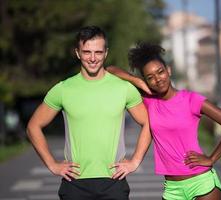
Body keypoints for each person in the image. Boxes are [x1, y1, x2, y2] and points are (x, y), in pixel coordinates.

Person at [26, 26, 151, 200]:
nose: (93, 58)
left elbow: (148, 123)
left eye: (98, 52)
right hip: (74, 184)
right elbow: (33, 126)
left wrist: (135, 161)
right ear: (77, 53)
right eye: (87, 52)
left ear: (105, 53)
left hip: (114, 182)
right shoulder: (63, 89)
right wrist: (52, 165)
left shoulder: (124, 88)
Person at [106, 43, 221, 200]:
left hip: (202, 184)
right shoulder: (149, 101)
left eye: (160, 72)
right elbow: (110, 70)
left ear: (168, 70)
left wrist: (212, 158)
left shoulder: (191, 100)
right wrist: (139, 82)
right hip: (172, 189)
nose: (158, 79)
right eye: (150, 77)